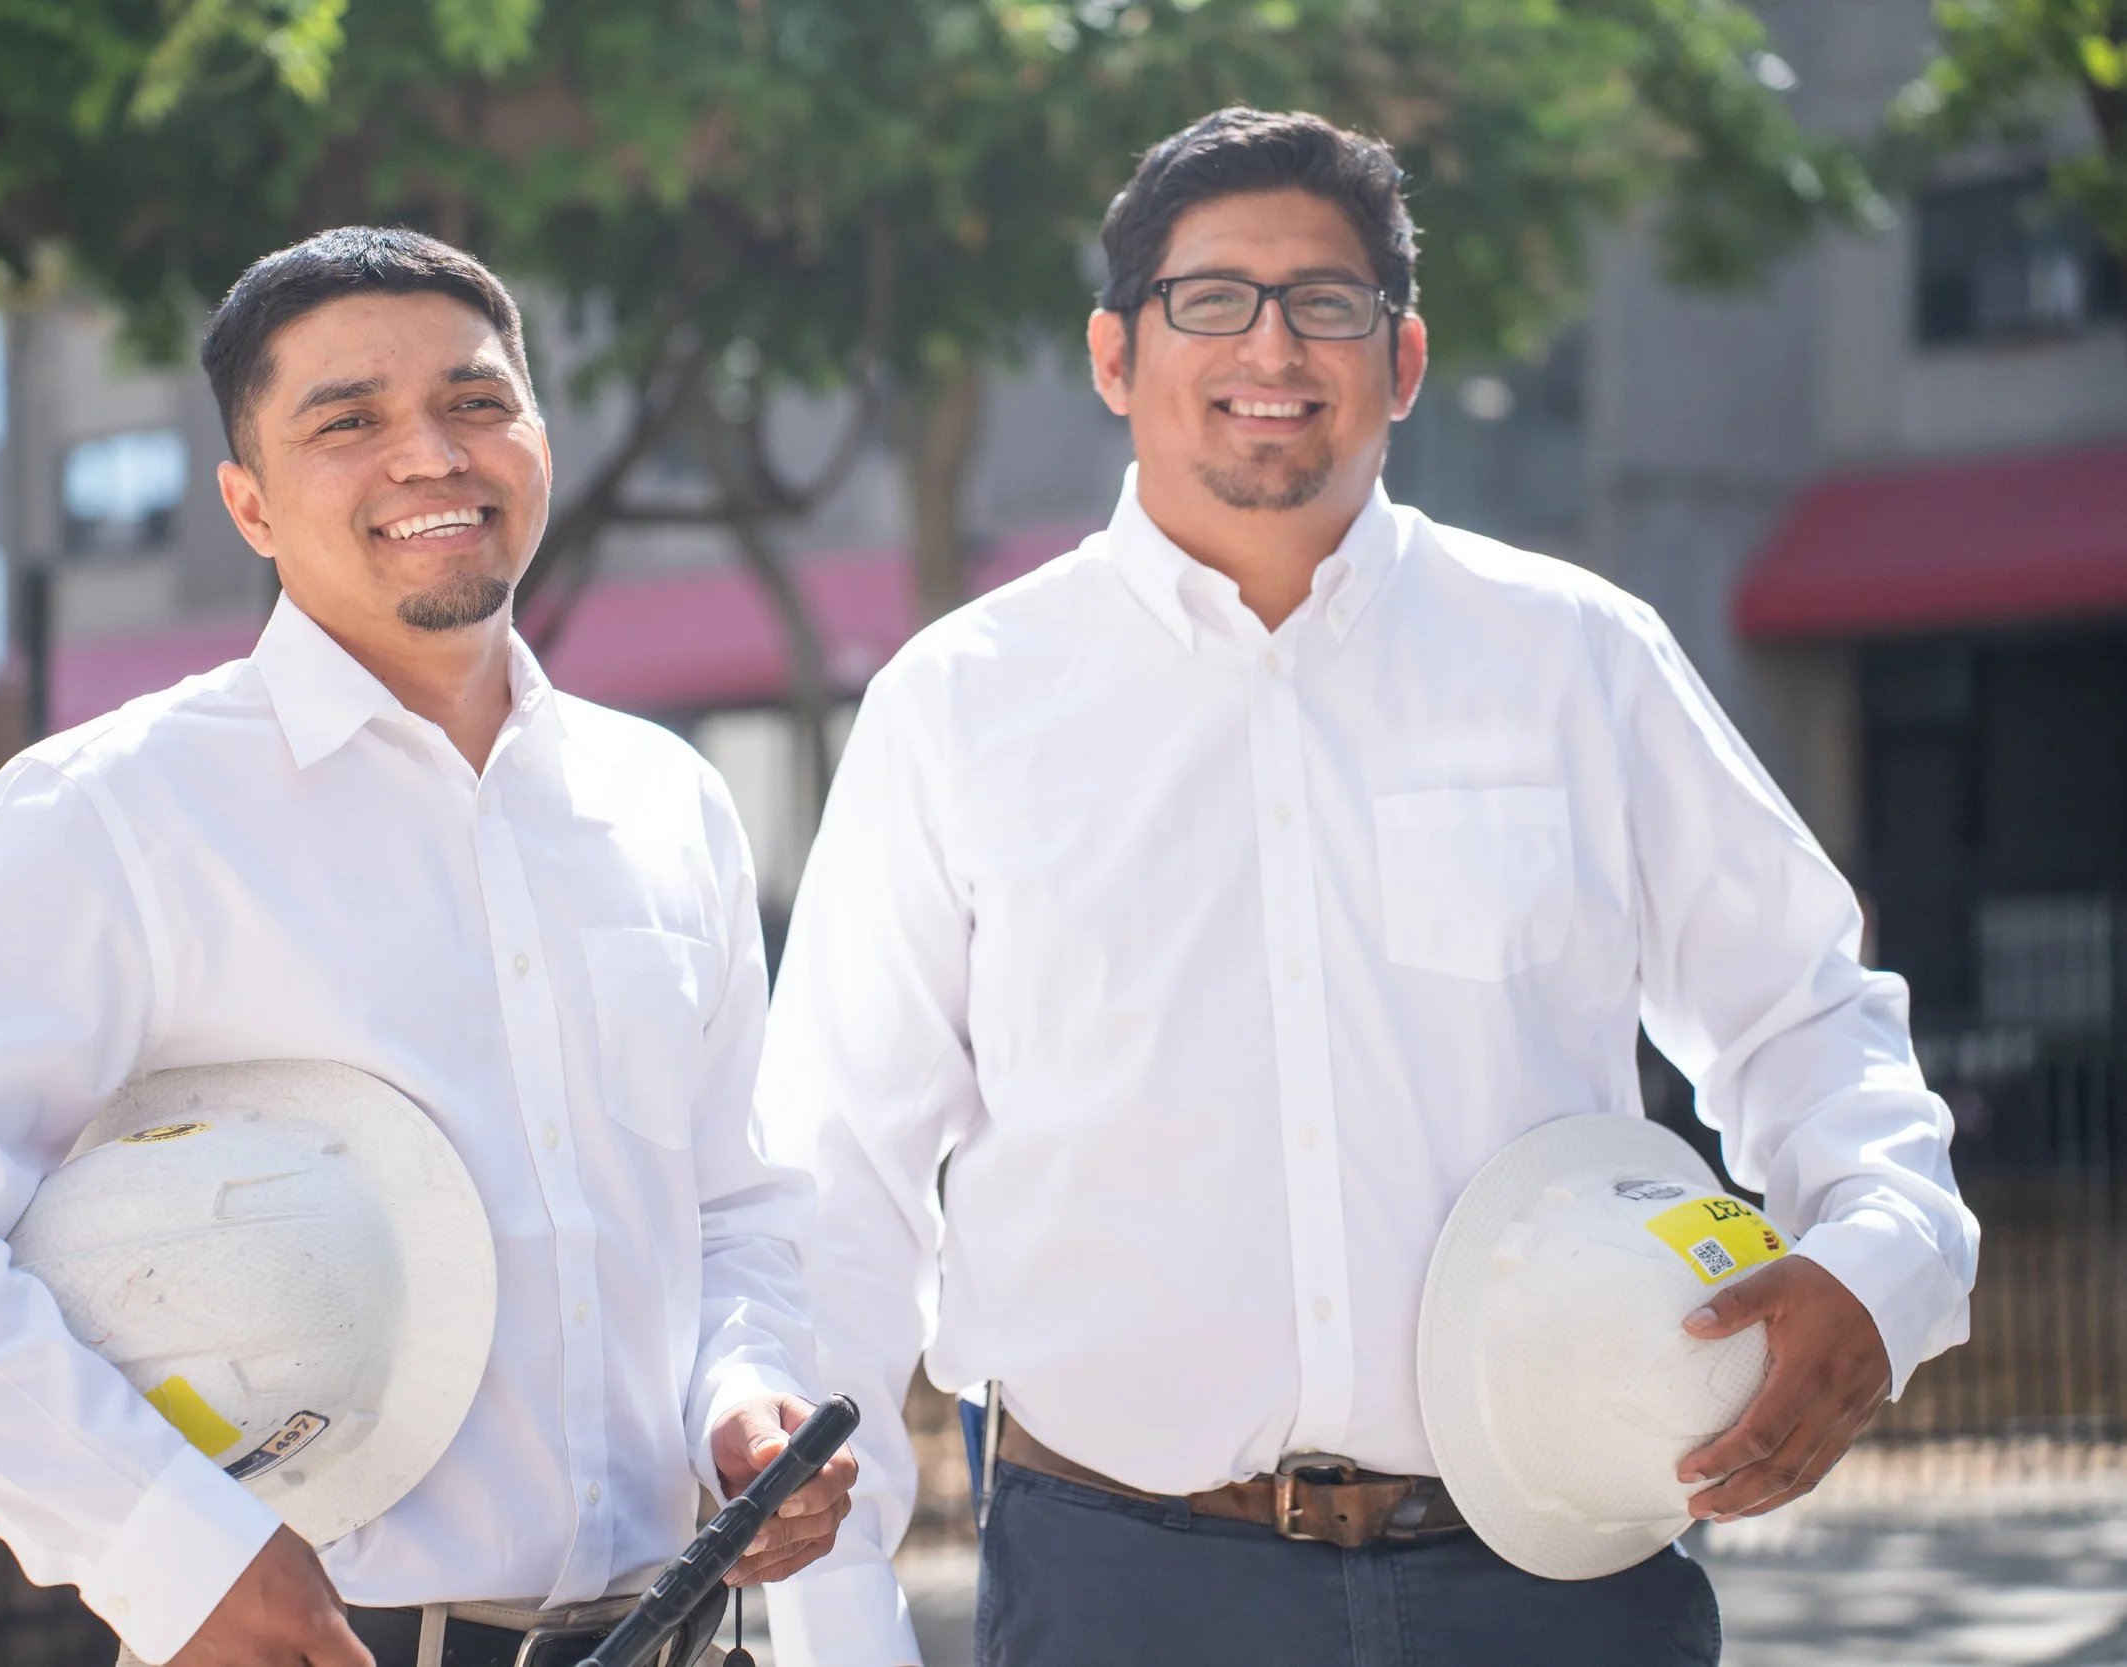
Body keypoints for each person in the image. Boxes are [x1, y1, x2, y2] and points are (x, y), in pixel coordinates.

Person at [757, 109, 1977, 1667]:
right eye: (1212, 297)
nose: (1272, 341)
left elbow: (1800, 1004)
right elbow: (841, 1178)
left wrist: (1883, 1252)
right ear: (1114, 358)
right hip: (1122, 1585)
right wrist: (838, 1625)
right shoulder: (962, 702)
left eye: (1326, 300)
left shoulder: (1575, 660)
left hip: (1557, 1571)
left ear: (1400, 361)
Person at [0, 227, 854, 1667]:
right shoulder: (121, 810)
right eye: (350, 420)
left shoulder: (665, 799)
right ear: (248, 503)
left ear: (540, 438)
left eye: (475, 401)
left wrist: (746, 1393)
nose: (431, 455)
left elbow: (733, 1207)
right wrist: (164, 1547)